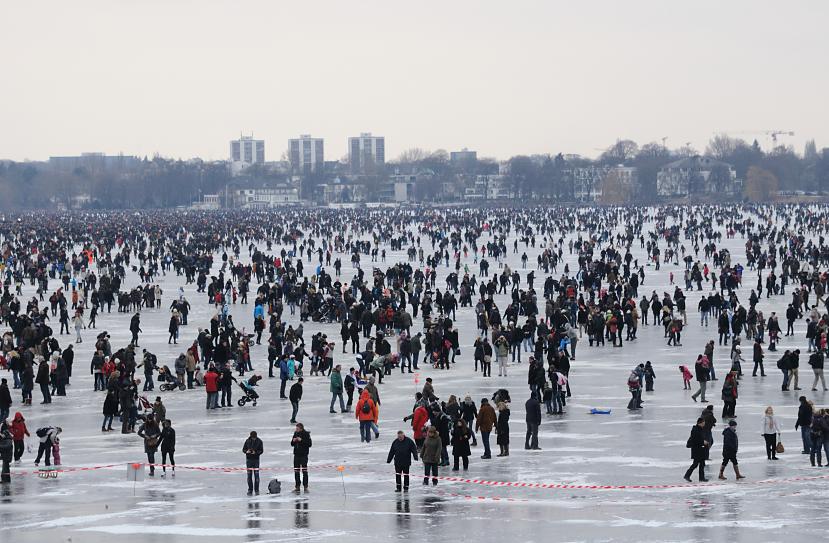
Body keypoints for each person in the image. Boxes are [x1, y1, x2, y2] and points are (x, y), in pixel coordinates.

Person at [683, 418, 709, 482]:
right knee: (695, 464)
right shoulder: (695, 430)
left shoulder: (700, 429)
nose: (704, 424)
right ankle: (687, 475)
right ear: (699, 423)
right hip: (697, 450)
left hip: (701, 450)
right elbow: (695, 440)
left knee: (702, 464)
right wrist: (703, 442)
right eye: (703, 423)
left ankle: (701, 478)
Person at [291, 422, 312, 492]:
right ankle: (297, 487)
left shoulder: (306, 434)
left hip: (304, 455)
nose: (296, 430)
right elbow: (292, 444)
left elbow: (309, 444)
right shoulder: (295, 433)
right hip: (296, 455)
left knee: (304, 471)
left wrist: (301, 440)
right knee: (296, 471)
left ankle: (305, 487)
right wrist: (293, 441)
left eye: (297, 429)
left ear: (301, 428)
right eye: (296, 429)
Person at [243, 431, 264, 495]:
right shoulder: (247, 441)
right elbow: (243, 449)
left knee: (256, 476)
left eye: (254, 438)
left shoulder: (259, 441)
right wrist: (247, 451)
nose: (254, 439)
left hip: (256, 460)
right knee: (249, 476)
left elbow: (261, 451)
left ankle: (257, 490)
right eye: (253, 438)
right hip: (249, 460)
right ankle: (250, 490)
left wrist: (255, 452)